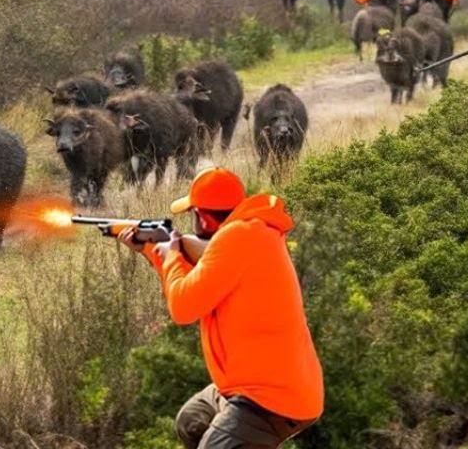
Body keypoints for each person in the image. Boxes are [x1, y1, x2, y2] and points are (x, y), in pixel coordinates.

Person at [118, 167, 323, 448]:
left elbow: (183, 308)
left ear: (201, 217)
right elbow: (200, 281)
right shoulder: (250, 233)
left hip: (272, 395)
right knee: (193, 421)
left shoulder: (237, 238)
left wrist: (173, 255)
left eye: (192, 214)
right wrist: (153, 250)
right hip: (253, 382)